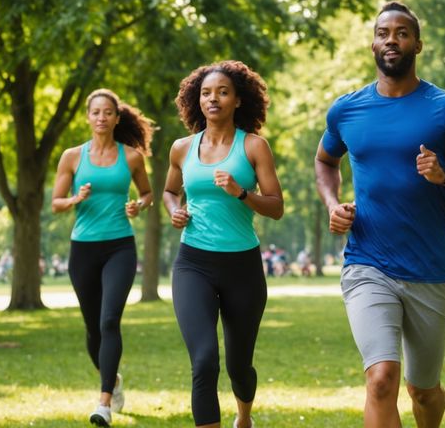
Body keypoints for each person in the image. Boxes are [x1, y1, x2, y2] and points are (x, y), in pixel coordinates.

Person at [315, 1, 445, 428]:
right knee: (381, 378)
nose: (391, 40)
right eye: (383, 33)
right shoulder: (346, 110)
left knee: (423, 390)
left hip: (430, 267)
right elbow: (324, 162)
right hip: (367, 261)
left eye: (401, 33)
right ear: (373, 44)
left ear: (417, 44)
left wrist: (444, 176)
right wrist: (333, 205)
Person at [162, 60, 284, 428]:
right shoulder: (182, 148)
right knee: (203, 361)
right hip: (193, 264)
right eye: (205, 93)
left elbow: (276, 207)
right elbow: (169, 191)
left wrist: (241, 192)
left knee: (239, 366)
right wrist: (175, 210)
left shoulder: (254, 147)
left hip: (242, 267)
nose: (213, 98)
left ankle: (243, 416)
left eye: (222, 92)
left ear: (237, 100)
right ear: (196, 100)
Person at [50, 88, 154, 427]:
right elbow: (56, 202)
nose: (101, 117)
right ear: (88, 117)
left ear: (116, 117)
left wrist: (137, 206)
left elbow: (148, 193)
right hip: (83, 249)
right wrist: (75, 199)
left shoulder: (132, 157)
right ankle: (115, 381)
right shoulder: (72, 157)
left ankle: (104, 402)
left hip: (120, 246)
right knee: (93, 329)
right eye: (95, 112)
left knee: (110, 321)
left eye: (107, 112)